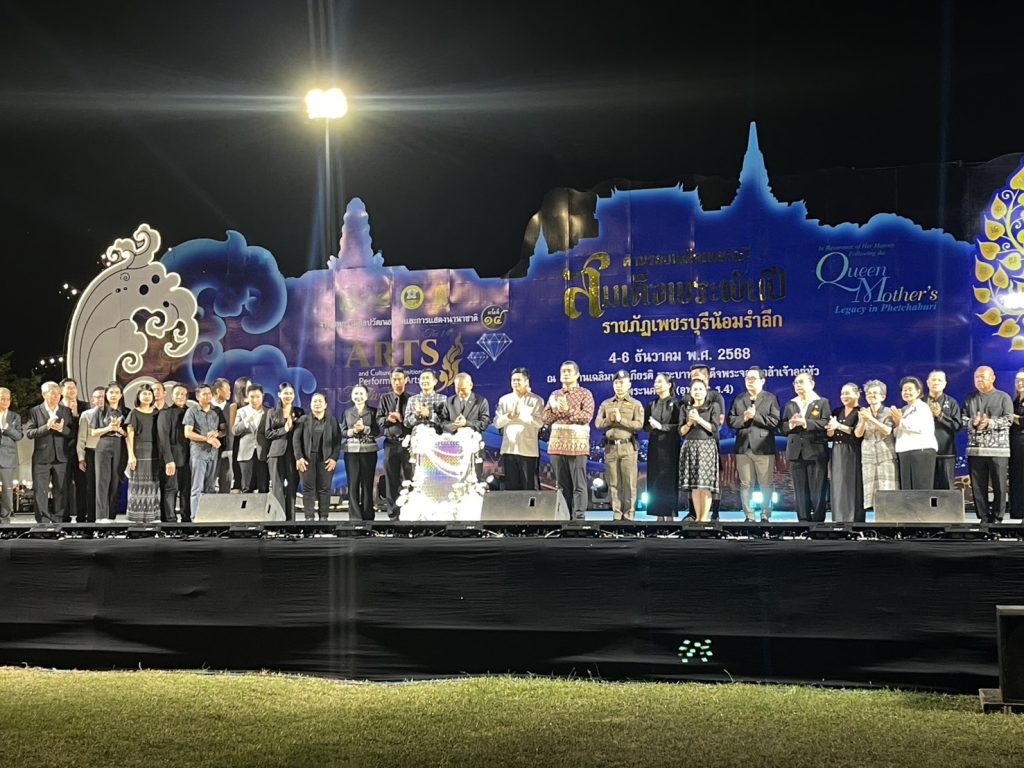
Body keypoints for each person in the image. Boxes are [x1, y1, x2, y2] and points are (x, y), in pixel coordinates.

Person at [542, 360, 595, 521]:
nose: (565, 374)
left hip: (577, 445)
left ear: (577, 374)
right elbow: (545, 417)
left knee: (579, 485)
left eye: (569, 371)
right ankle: (565, 518)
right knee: (562, 485)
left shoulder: (585, 393)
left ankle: (578, 519)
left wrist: (567, 410)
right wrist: (559, 411)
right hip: (557, 445)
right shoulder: (555, 395)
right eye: (563, 371)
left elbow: (586, 416)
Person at [727, 366, 780, 522]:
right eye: (747, 378)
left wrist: (755, 416)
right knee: (745, 484)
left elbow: (774, 422)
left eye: (753, 378)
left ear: (762, 381)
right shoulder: (738, 399)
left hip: (763, 447)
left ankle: (765, 514)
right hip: (743, 447)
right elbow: (731, 421)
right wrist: (743, 418)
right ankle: (749, 515)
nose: (749, 381)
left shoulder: (770, 399)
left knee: (766, 484)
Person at [963, 365, 1013, 523]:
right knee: (978, 486)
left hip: (998, 450)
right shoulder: (970, 398)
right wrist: (973, 422)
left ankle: (998, 517)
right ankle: (983, 517)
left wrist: (989, 423)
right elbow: (963, 419)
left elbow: (1009, 419)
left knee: (999, 485)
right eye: (976, 377)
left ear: (992, 378)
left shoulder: (1003, 397)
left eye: (982, 377)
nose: (979, 380)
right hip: (975, 450)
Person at [780, 372, 830, 522]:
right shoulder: (791, 404)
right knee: (800, 491)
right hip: (796, 452)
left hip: (815, 451)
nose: (798, 386)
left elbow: (825, 423)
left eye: (801, 382)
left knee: (817, 490)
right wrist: (791, 424)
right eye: (796, 383)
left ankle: (818, 522)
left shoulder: (822, 402)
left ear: (812, 384)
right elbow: (783, 427)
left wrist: (805, 423)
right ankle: (803, 521)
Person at [595, 370, 644, 521]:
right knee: (613, 483)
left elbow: (639, 424)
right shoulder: (606, 403)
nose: (619, 386)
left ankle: (629, 515)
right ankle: (616, 514)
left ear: (629, 385)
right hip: (610, 448)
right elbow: (598, 424)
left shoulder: (635, 404)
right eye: (616, 383)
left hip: (628, 447)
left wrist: (621, 419)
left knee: (629, 483)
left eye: (622, 383)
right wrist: (609, 420)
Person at [682, 365, 726, 520]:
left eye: (698, 377)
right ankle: (693, 513)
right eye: (692, 378)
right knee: (693, 481)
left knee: (709, 481)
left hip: (709, 442)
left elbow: (718, 422)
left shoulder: (716, 398)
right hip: (691, 443)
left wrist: (700, 420)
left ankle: (714, 513)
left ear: (707, 379)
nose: (695, 381)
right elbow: (682, 425)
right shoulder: (687, 400)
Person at [493, 367, 545, 491]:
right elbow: (497, 423)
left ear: (526, 382)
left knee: (528, 486)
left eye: (519, 380)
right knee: (512, 486)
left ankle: (530, 505)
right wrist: (509, 417)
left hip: (528, 450)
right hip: (509, 449)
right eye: (513, 380)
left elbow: (540, 422)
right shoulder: (504, 400)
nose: (516, 383)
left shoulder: (536, 400)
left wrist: (521, 416)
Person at [293, 392, 342, 521]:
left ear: (325, 405)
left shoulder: (332, 420)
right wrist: (299, 457)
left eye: (320, 401)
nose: (317, 403)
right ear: (310, 404)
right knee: (308, 489)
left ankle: (324, 518)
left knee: (324, 489)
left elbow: (337, 441)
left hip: (326, 459)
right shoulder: (303, 420)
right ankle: (309, 518)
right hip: (306, 459)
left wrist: (334, 458)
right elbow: (296, 440)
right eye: (315, 401)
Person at [183, 384, 227, 517]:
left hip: (213, 453)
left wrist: (217, 434)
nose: (208, 396)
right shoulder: (192, 411)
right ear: (197, 397)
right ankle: (195, 518)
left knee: (211, 487)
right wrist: (206, 439)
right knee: (197, 487)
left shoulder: (217, 411)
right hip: (198, 453)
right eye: (204, 394)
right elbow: (187, 433)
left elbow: (224, 430)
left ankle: (209, 517)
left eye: (209, 393)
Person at [856, 379, 897, 513]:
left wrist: (871, 419)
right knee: (871, 491)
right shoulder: (863, 412)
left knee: (887, 489)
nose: (871, 396)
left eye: (875, 393)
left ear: (882, 397)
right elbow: (858, 434)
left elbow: (887, 430)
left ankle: (890, 519)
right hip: (868, 455)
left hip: (886, 454)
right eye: (869, 393)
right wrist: (863, 421)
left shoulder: (888, 412)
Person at [376, 367, 412, 520]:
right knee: (391, 479)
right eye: (394, 379)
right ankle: (393, 514)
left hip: (409, 444)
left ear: (406, 380)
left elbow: (414, 422)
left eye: (399, 379)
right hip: (391, 443)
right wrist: (388, 419)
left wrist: (402, 418)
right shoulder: (385, 398)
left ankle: (411, 511)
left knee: (410, 478)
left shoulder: (412, 398)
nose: (397, 382)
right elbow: (379, 420)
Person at [644, 373, 681, 521]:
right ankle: (658, 515)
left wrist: (661, 426)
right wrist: (652, 427)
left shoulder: (676, 403)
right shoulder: (651, 404)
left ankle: (670, 515)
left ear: (669, 384)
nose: (656, 385)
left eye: (660, 382)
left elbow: (679, 426)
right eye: (655, 382)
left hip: (670, 446)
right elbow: (645, 426)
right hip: (654, 446)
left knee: (669, 479)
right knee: (655, 479)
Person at [891, 376, 938, 491]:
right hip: (905, 452)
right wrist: (896, 424)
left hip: (921, 451)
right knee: (907, 490)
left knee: (921, 489)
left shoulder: (923, 407)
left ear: (918, 391)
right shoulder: (904, 409)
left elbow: (920, 427)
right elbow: (899, 432)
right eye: (904, 390)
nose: (906, 392)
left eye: (910, 389)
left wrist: (900, 420)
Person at [90, 383, 128, 523]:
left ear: (121, 395)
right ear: (106, 394)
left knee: (116, 481)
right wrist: (108, 428)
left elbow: (129, 433)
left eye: (117, 392)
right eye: (111, 392)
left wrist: (120, 430)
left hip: (120, 446)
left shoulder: (126, 412)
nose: (113, 395)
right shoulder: (100, 411)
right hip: (104, 445)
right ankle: (101, 516)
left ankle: (111, 516)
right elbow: (93, 432)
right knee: (102, 481)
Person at [265, 382, 304, 521]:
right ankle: (278, 521)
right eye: (285, 393)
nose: (288, 396)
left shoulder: (299, 412)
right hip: (276, 454)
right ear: (279, 395)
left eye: (291, 393)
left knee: (292, 487)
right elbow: (268, 433)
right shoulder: (271, 412)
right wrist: (284, 430)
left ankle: (291, 521)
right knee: (277, 488)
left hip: (294, 454)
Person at [442, 372, 491, 481]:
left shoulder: (481, 401)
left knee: (474, 480)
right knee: (454, 481)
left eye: (463, 389)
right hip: (454, 449)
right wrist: (453, 425)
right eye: (457, 388)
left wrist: (466, 423)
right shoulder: (449, 401)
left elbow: (484, 423)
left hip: (473, 449)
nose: (460, 392)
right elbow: (442, 422)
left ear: (470, 385)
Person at [341, 384, 380, 521]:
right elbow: (342, 431)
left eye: (361, 394)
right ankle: (355, 516)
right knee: (353, 484)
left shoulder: (373, 412)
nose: (358, 396)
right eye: (356, 394)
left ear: (367, 396)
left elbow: (378, 431)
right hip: (351, 452)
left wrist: (365, 429)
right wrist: (353, 431)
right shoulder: (347, 412)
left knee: (367, 483)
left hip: (369, 451)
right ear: (352, 396)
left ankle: (368, 515)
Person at [827, 383, 864, 522]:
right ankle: (838, 519)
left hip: (853, 451)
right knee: (838, 486)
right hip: (837, 451)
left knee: (852, 485)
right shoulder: (837, 411)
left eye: (848, 393)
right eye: (842, 394)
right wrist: (831, 430)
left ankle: (854, 520)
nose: (844, 396)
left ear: (857, 394)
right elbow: (830, 435)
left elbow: (857, 434)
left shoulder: (861, 411)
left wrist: (839, 426)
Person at [125, 383, 161, 523]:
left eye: (149, 394)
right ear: (138, 396)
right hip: (139, 453)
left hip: (154, 453)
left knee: (153, 485)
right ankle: (137, 517)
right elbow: (130, 435)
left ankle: (152, 516)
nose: (147, 396)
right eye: (144, 394)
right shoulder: (134, 413)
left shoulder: (157, 413)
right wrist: (131, 455)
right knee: (138, 486)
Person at [157, 384, 192, 523]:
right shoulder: (165, 413)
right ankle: (170, 521)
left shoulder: (191, 412)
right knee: (171, 489)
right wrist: (168, 460)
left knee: (186, 491)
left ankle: (186, 520)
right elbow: (163, 439)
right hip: (172, 459)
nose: (180, 396)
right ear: (171, 396)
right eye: (177, 394)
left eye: (183, 394)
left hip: (189, 459)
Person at [925, 370, 963, 490]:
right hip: (925, 452)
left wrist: (940, 415)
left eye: (939, 380)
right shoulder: (920, 402)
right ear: (928, 383)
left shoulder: (951, 402)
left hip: (946, 453)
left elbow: (957, 426)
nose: (936, 382)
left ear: (945, 383)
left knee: (947, 488)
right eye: (933, 380)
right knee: (927, 487)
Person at [59, 377, 89, 523]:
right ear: (61, 390)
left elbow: (84, 430)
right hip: (62, 452)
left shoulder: (85, 406)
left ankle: (82, 517)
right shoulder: (57, 407)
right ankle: (63, 517)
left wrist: (76, 415)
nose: (72, 390)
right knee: (63, 486)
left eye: (74, 388)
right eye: (68, 387)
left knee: (82, 485)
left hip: (80, 452)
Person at [232, 383, 270, 493]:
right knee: (246, 486)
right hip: (245, 453)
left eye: (258, 396)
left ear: (262, 396)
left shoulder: (268, 412)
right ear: (247, 397)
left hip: (263, 453)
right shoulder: (241, 411)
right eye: (252, 397)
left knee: (263, 486)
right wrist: (246, 421)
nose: (255, 400)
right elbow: (235, 431)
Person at [75, 386, 105, 523]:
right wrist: (81, 458)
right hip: (91, 453)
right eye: (98, 397)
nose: (101, 399)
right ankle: (92, 519)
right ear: (92, 400)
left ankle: (105, 517)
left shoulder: (113, 414)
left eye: (103, 396)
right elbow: (81, 438)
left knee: (105, 487)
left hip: (107, 454)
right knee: (90, 487)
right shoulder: (86, 415)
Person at [0, 387, 23, 524]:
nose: (5, 402)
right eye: (2, 399)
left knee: (7, 491)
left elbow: (19, 435)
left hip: (7, 458)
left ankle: (5, 519)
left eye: (8, 399)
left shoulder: (15, 417)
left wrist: (7, 427)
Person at [211, 377, 234, 493]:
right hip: (211, 452)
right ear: (218, 391)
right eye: (227, 389)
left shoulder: (232, 408)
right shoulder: (207, 408)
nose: (230, 392)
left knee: (226, 483)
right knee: (209, 483)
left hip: (228, 452)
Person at [229, 376, 251, 491]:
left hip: (254, 444)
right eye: (248, 387)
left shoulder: (256, 405)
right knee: (239, 475)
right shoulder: (235, 406)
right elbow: (233, 429)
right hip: (240, 443)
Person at [1010, 370, 1024, 520]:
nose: (1020, 383)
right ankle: (1017, 512)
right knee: (1016, 478)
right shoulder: (1014, 401)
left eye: (1023, 380)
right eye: (1017, 380)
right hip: (1015, 446)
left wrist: (1014, 417)